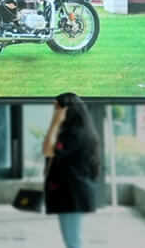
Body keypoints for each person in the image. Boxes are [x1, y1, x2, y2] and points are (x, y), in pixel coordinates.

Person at [42, 93, 101, 248]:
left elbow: (47, 150)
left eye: (56, 108)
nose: (54, 111)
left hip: (72, 195)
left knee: (73, 241)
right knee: (73, 239)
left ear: (67, 110)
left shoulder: (75, 134)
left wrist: (55, 123)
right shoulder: (79, 131)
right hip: (71, 194)